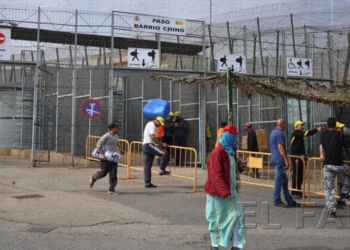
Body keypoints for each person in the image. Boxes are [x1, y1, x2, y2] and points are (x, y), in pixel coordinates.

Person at [204, 125, 246, 250]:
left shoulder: (231, 152)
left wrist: (241, 166)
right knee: (216, 219)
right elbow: (215, 175)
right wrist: (225, 192)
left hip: (231, 192)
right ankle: (215, 245)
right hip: (219, 194)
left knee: (238, 218)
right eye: (234, 138)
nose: (235, 141)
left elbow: (231, 171)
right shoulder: (217, 153)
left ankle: (237, 246)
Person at [320, 117, 350, 217]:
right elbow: (348, 146)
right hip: (339, 165)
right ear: (335, 125)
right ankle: (344, 191)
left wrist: (322, 155)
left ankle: (331, 210)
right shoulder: (340, 135)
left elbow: (322, 147)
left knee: (328, 188)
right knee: (348, 173)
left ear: (327, 125)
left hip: (327, 165)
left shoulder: (322, 134)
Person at [89, 122, 125, 195]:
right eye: (116, 127)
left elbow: (116, 143)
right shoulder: (106, 136)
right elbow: (98, 145)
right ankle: (93, 179)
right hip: (105, 158)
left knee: (113, 174)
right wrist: (102, 155)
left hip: (113, 157)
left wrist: (120, 149)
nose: (118, 128)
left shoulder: (116, 136)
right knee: (103, 173)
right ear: (112, 128)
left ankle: (111, 190)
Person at [269, 118, 298, 208]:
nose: (285, 126)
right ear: (282, 125)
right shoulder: (280, 133)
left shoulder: (273, 132)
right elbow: (280, 147)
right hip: (279, 160)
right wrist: (286, 159)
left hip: (274, 158)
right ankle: (277, 200)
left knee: (284, 180)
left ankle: (289, 200)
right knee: (278, 180)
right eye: (285, 124)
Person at [290, 120, 322, 199]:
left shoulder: (299, 135)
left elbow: (302, 148)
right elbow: (306, 133)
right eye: (301, 125)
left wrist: (305, 157)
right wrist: (316, 130)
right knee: (296, 174)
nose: (303, 126)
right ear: (296, 127)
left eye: (303, 125)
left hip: (301, 156)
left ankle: (299, 191)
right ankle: (294, 192)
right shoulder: (296, 133)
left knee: (300, 174)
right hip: (296, 156)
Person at [142, 117, 171, 188]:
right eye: (159, 124)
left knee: (147, 166)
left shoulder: (150, 124)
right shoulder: (152, 125)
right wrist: (161, 144)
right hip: (149, 145)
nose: (159, 125)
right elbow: (153, 137)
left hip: (146, 145)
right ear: (157, 121)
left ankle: (147, 182)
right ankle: (162, 170)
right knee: (164, 153)